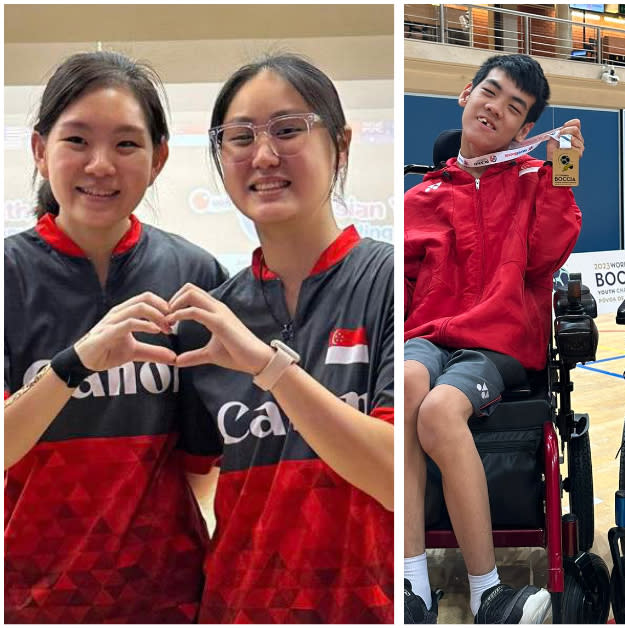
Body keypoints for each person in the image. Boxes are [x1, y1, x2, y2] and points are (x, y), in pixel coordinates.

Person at [3, 51, 227, 622]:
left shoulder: (195, 276)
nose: (101, 165)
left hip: (168, 595)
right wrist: (74, 364)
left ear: (158, 159)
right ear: (39, 150)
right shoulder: (9, 276)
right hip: (29, 598)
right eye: (77, 140)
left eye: (127, 144)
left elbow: (204, 459)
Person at [170, 54, 393, 623]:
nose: (263, 155)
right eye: (239, 137)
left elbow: (399, 478)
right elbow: (195, 477)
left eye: (289, 130)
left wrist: (268, 368)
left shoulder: (390, 282)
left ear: (340, 145)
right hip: (237, 607)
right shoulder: (211, 319)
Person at [403, 53, 583, 624]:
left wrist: (562, 173)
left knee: (437, 411)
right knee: (404, 382)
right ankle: (410, 583)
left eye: (514, 109)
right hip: (428, 337)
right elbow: (401, 293)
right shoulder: (422, 198)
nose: (495, 110)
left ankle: (488, 590)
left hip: (497, 344)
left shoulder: (535, 183)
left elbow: (546, 255)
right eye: (490, 93)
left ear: (525, 131)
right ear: (466, 94)